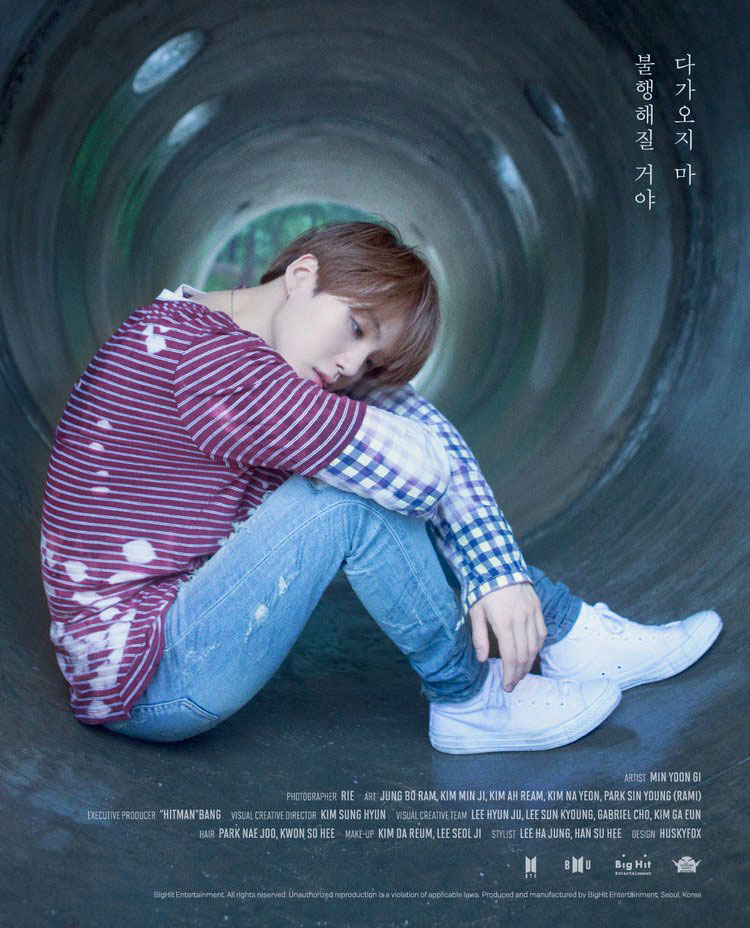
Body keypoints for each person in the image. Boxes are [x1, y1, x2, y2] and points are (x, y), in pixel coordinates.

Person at [40, 222, 722, 752]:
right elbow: (420, 472)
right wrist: (496, 574)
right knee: (351, 498)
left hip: (170, 639)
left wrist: (502, 576)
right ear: (301, 275)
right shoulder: (212, 363)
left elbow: (428, 435)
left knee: (367, 471)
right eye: (357, 329)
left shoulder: (214, 333)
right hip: (151, 675)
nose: (349, 367)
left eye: (373, 362)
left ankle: (566, 634)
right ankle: (470, 700)